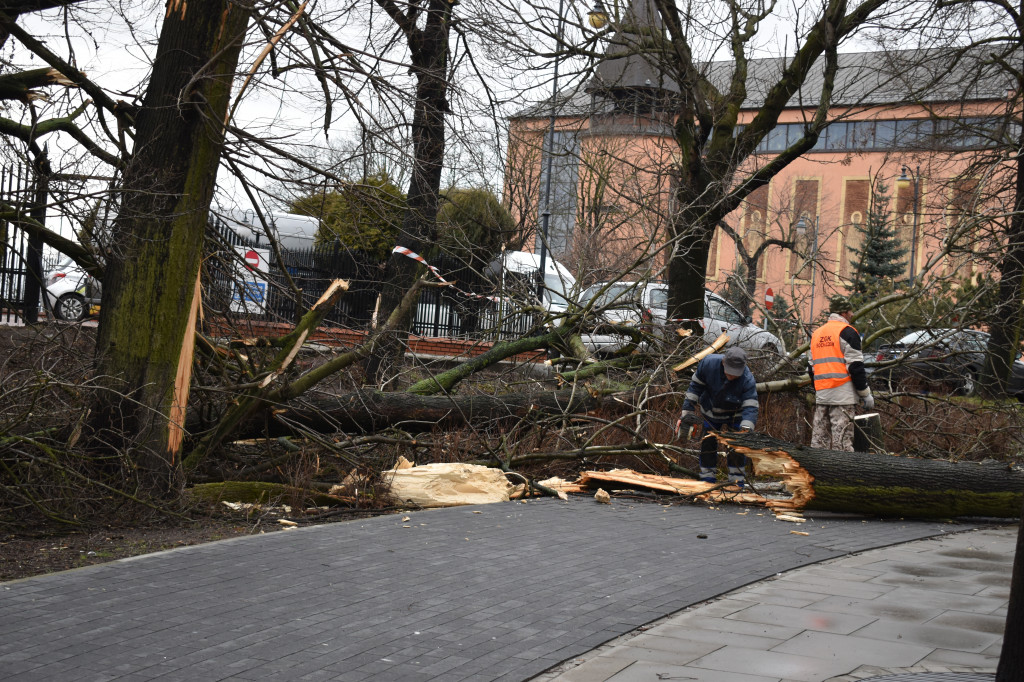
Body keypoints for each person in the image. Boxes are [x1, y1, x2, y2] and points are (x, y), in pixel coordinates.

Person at [678, 346, 759, 487]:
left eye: (735, 373)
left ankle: (736, 479)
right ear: (723, 362)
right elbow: (695, 387)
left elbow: (751, 405)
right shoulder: (708, 364)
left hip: (736, 414)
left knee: (737, 446)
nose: (732, 376)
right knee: (708, 443)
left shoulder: (747, 379)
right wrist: (687, 411)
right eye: (730, 371)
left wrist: (746, 428)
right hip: (710, 410)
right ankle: (707, 479)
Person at [808, 295, 874, 451]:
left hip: (822, 394)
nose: (852, 314)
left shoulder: (817, 334)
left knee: (819, 443)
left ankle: (817, 473)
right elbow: (856, 367)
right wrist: (865, 393)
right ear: (844, 312)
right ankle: (841, 475)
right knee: (842, 444)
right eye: (850, 311)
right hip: (843, 396)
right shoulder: (848, 332)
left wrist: (819, 389)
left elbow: (811, 368)